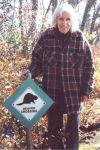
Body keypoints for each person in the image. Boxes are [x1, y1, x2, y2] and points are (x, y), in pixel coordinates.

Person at [23, 3, 94, 150]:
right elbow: (36, 62)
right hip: (52, 93)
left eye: (68, 19)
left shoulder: (79, 39)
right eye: (61, 19)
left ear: (72, 21)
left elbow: (89, 67)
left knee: (73, 133)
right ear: (56, 20)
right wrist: (29, 73)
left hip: (73, 94)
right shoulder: (46, 37)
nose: (64, 23)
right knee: (53, 133)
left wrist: (85, 90)